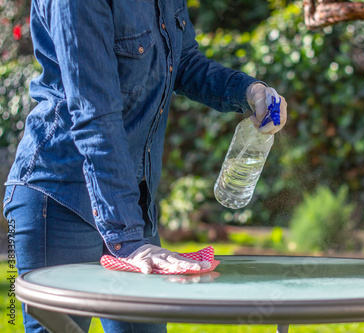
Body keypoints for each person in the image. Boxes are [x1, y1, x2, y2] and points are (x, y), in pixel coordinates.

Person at [2, 0, 287, 332]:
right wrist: (128, 239)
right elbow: (95, 113)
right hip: (61, 198)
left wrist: (249, 91)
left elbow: (184, 62)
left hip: (129, 204)